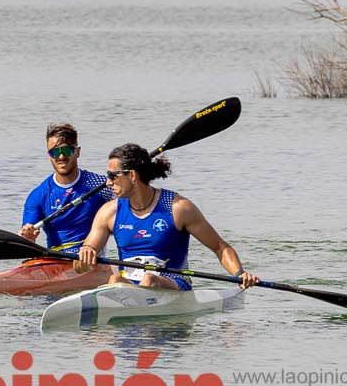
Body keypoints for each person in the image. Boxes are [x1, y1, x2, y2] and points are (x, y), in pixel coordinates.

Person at [73, 143, 259, 290]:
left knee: (149, 279)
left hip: (172, 282)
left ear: (131, 175)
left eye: (113, 176)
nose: (107, 182)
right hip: (127, 288)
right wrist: (84, 257)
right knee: (114, 279)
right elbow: (79, 266)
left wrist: (239, 273)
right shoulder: (109, 212)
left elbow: (220, 247)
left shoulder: (178, 208)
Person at [19, 123, 111, 252]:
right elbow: (27, 234)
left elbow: (129, 210)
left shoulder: (100, 185)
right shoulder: (39, 195)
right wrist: (27, 236)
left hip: (90, 256)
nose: (61, 157)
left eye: (66, 150)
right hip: (56, 259)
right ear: (49, 156)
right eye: (55, 152)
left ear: (77, 152)